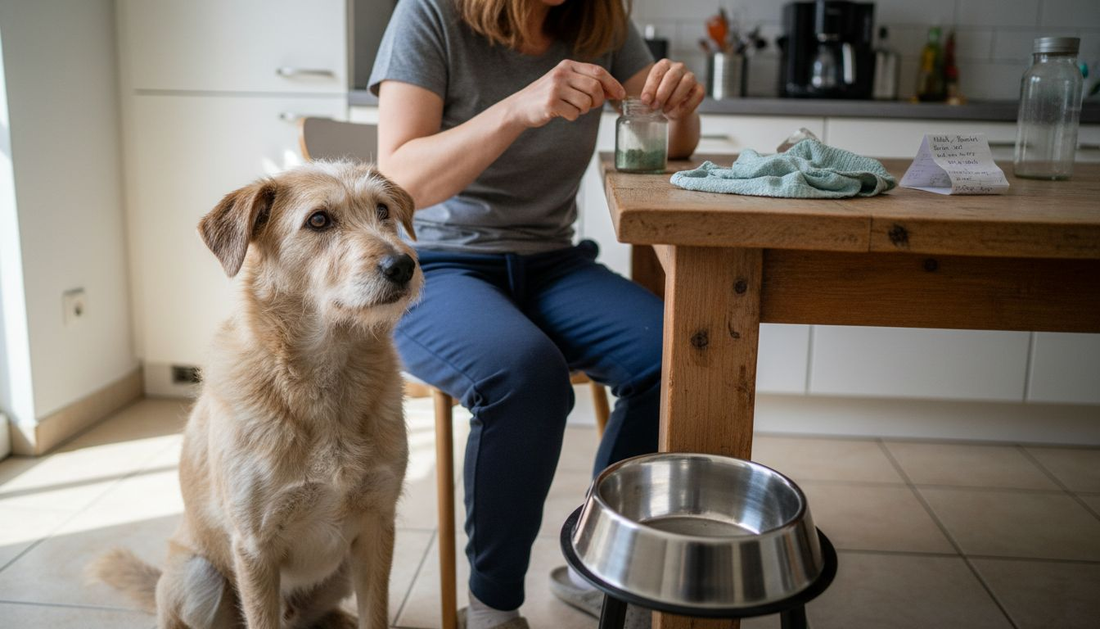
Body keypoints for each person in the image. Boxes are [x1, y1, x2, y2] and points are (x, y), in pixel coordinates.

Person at [369, 1, 702, 627]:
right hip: (439, 266)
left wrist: (679, 112)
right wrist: (518, 108)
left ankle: (600, 571)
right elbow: (398, 176)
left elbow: (666, 137)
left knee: (677, 355)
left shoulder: (600, 21)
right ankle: (493, 609)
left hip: (553, 262)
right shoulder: (431, 15)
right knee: (526, 379)